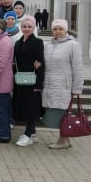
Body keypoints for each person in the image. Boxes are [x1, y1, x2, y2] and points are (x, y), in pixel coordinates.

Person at [42, 19, 83, 149]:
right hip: (50, 84)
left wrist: (77, 87)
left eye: (61, 29)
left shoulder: (73, 45)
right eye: (55, 29)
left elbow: (78, 68)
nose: (58, 32)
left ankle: (62, 140)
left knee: (63, 113)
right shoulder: (48, 45)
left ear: (66, 30)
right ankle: (66, 138)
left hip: (64, 85)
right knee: (60, 113)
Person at [13, 16, 45, 147]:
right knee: (23, 106)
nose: (26, 29)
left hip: (32, 80)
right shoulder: (18, 42)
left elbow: (41, 63)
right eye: (24, 26)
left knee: (31, 107)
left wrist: (39, 84)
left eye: (29, 27)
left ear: (33, 28)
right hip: (20, 79)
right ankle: (31, 133)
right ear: (21, 28)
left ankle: (28, 134)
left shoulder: (37, 42)